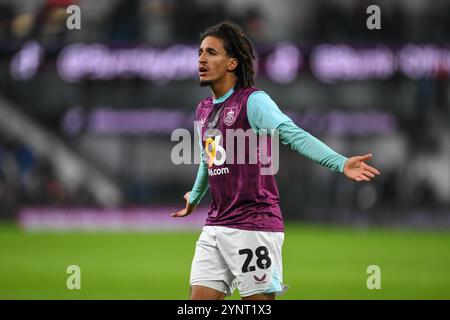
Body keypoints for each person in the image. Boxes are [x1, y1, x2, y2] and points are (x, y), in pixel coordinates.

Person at [171, 21, 381, 300]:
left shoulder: (253, 102)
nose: (201, 59)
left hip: (253, 226)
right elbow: (207, 158)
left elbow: (295, 135)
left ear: (232, 62)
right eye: (200, 52)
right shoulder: (204, 109)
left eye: (211, 52)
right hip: (215, 225)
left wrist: (341, 163)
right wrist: (195, 197)